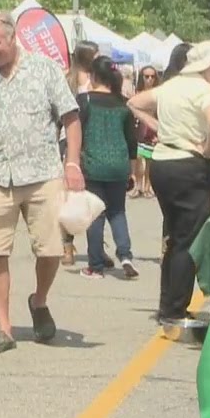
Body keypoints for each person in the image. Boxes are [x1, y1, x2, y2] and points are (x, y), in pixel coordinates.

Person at [0, 12, 82, 353]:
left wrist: (72, 163)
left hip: (42, 174)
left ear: (13, 37)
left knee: (50, 250)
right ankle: (3, 327)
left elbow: (70, 117)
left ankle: (39, 299)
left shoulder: (44, 69)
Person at [128, 41, 210, 324]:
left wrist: (161, 128)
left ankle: (168, 304)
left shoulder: (171, 86)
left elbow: (134, 102)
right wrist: (209, 150)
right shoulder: (205, 90)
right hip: (188, 164)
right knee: (189, 240)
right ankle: (175, 309)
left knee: (174, 238)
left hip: (162, 163)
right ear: (203, 65)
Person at [77, 55, 139, 280]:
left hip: (93, 165)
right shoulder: (123, 104)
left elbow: (76, 132)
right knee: (117, 211)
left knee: (95, 214)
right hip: (119, 165)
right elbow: (132, 142)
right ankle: (125, 256)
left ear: (93, 76)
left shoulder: (85, 101)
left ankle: (95, 266)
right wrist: (132, 170)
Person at [61, 40, 98, 266]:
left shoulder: (99, 80)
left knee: (94, 196)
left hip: (93, 141)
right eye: (96, 54)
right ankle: (67, 246)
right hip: (70, 141)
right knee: (71, 197)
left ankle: (95, 246)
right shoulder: (69, 80)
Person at [132, 65, 161, 199]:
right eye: (146, 76)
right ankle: (137, 186)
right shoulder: (137, 93)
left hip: (152, 129)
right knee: (138, 158)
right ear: (141, 78)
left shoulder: (159, 94)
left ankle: (147, 187)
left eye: (152, 76)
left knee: (149, 160)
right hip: (138, 129)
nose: (149, 79)